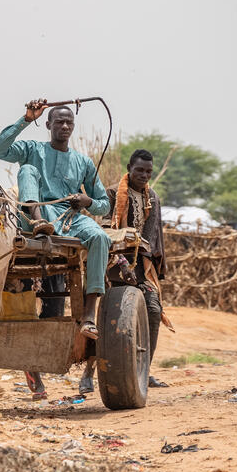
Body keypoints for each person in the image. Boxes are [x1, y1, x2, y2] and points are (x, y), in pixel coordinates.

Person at [0, 99, 111, 339]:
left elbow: (104, 205)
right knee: (27, 169)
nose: (64, 126)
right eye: (59, 122)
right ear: (48, 125)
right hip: (34, 216)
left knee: (100, 237)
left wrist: (87, 201)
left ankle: (89, 315)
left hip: (69, 218)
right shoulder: (32, 149)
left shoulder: (83, 162)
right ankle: (38, 223)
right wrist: (26, 119)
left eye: (69, 123)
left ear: (73, 126)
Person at [80, 149, 170, 393]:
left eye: (148, 171)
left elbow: (149, 240)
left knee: (153, 310)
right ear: (129, 168)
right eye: (139, 170)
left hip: (140, 267)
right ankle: (88, 373)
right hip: (110, 263)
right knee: (107, 319)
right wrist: (121, 264)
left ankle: (143, 370)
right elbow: (106, 233)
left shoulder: (152, 197)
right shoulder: (111, 193)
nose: (144, 175)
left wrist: (142, 273)